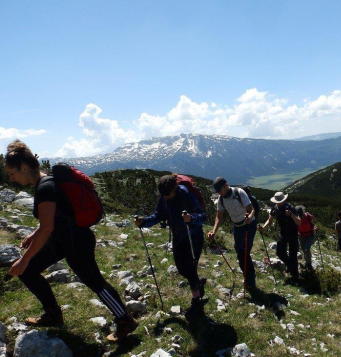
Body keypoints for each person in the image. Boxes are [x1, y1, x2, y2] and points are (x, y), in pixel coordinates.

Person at [5, 140, 136, 342]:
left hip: (76, 241)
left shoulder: (44, 188)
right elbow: (52, 221)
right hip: (63, 239)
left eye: (12, 174)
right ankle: (53, 314)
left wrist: (23, 259)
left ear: (24, 167)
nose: (11, 179)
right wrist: (33, 236)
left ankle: (125, 320)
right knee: (29, 271)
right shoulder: (45, 182)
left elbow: (47, 227)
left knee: (94, 282)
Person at [136, 174, 206, 316]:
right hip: (178, 237)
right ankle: (198, 284)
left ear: (175, 188)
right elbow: (158, 215)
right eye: (164, 195)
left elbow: (202, 216)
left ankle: (196, 301)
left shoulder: (185, 195)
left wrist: (191, 218)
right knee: (181, 269)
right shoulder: (164, 198)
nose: (166, 197)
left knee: (190, 268)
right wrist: (144, 222)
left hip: (194, 237)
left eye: (168, 195)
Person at [208, 177, 257, 289]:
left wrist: (249, 217)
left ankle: (250, 279)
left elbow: (251, 209)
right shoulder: (221, 199)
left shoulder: (239, 192)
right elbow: (219, 217)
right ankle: (247, 276)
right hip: (237, 226)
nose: (220, 193)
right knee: (239, 252)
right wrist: (214, 231)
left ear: (226, 185)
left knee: (244, 251)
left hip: (249, 225)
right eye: (218, 191)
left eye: (220, 190)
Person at [259, 192, 301, 280]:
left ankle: (295, 274)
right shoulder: (275, 209)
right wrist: (263, 227)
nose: (278, 203)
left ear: (284, 200)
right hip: (283, 232)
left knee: (293, 254)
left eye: (280, 201)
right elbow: (270, 220)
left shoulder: (290, 207)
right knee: (279, 252)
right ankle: (289, 265)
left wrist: (290, 214)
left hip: (293, 232)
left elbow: (299, 222)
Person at [295, 206, 316, 270]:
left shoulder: (308, 216)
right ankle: (307, 261)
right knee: (304, 249)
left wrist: (315, 228)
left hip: (310, 235)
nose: (300, 217)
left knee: (306, 249)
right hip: (301, 235)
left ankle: (308, 264)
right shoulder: (296, 218)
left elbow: (313, 224)